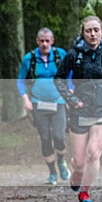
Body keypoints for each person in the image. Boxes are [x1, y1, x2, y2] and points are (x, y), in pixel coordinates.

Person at [55, 15, 102, 202]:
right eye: (88, 30)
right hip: (80, 110)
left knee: (94, 153)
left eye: (96, 30)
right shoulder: (74, 55)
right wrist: (71, 100)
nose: (92, 34)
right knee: (79, 162)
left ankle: (85, 192)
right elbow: (59, 78)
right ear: (83, 33)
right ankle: (78, 173)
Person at [17, 28, 69, 185]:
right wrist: (26, 99)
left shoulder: (61, 55)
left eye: (47, 41)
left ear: (52, 41)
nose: (44, 44)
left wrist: (70, 94)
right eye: (42, 41)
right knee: (45, 138)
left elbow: (70, 75)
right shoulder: (29, 59)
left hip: (59, 102)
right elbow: (20, 81)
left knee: (59, 136)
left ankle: (61, 161)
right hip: (38, 104)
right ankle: (52, 172)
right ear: (37, 41)